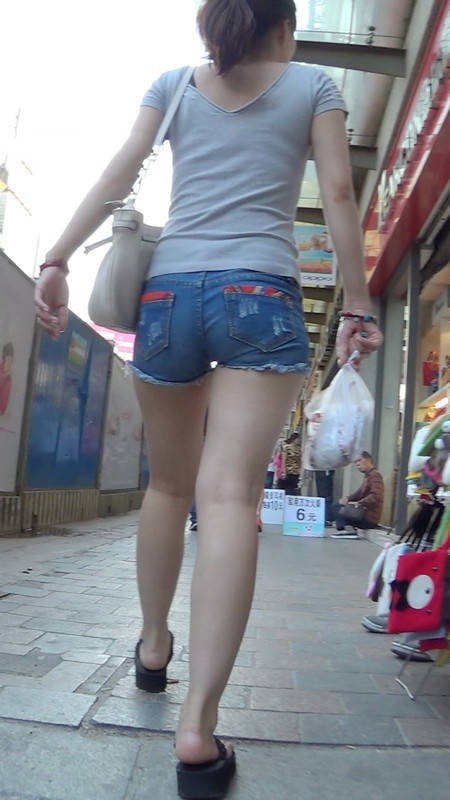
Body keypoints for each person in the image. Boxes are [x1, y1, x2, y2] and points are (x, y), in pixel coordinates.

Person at [34, 1, 383, 796]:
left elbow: (120, 168)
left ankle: (154, 646)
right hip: (262, 293)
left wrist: (56, 258)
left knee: (169, 486)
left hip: (168, 299)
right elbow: (337, 192)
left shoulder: (173, 85)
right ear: (284, 26)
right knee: (228, 499)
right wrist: (357, 306)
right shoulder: (315, 86)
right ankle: (197, 728)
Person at [331, 452, 385, 540]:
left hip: (369, 518)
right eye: (355, 462)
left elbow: (376, 496)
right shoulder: (368, 476)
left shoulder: (375, 475)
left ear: (368, 460)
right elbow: (358, 493)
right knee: (337, 505)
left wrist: (359, 503)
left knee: (338, 508)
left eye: (359, 460)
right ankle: (348, 529)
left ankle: (349, 530)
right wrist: (347, 499)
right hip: (364, 513)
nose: (357, 464)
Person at [0, 342, 14, 416]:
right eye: (8, 357)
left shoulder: (9, 370)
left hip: (3, 408)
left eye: (11, 358)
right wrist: (5, 375)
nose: (9, 360)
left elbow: (7, 393)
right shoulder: (1, 368)